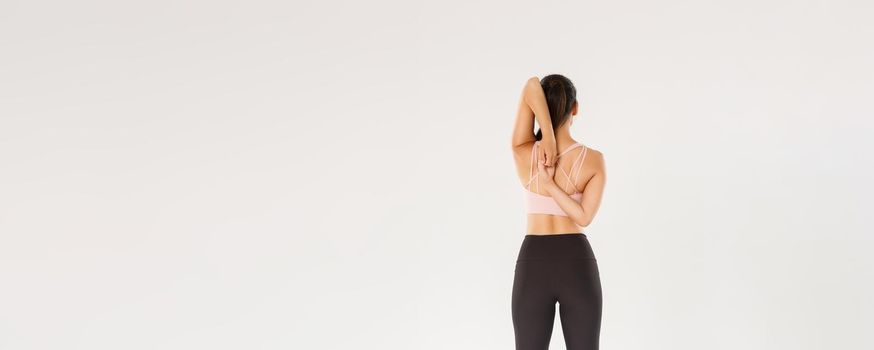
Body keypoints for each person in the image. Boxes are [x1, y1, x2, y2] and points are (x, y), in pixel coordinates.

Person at [509, 74, 607, 350]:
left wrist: (547, 137)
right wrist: (551, 140)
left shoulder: (524, 152)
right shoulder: (593, 161)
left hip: (533, 262)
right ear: (575, 108)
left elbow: (529, 85)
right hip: (576, 261)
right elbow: (584, 217)